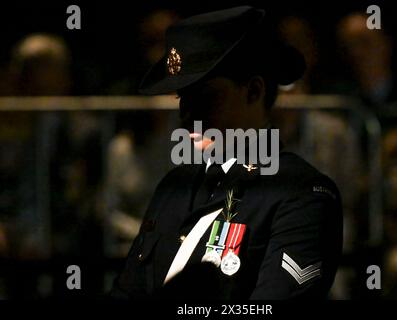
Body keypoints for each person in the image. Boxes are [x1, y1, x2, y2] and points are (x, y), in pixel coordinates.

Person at [111, 6, 342, 300]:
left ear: (254, 92)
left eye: (205, 97)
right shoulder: (174, 186)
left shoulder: (301, 194)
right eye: (183, 97)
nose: (186, 113)